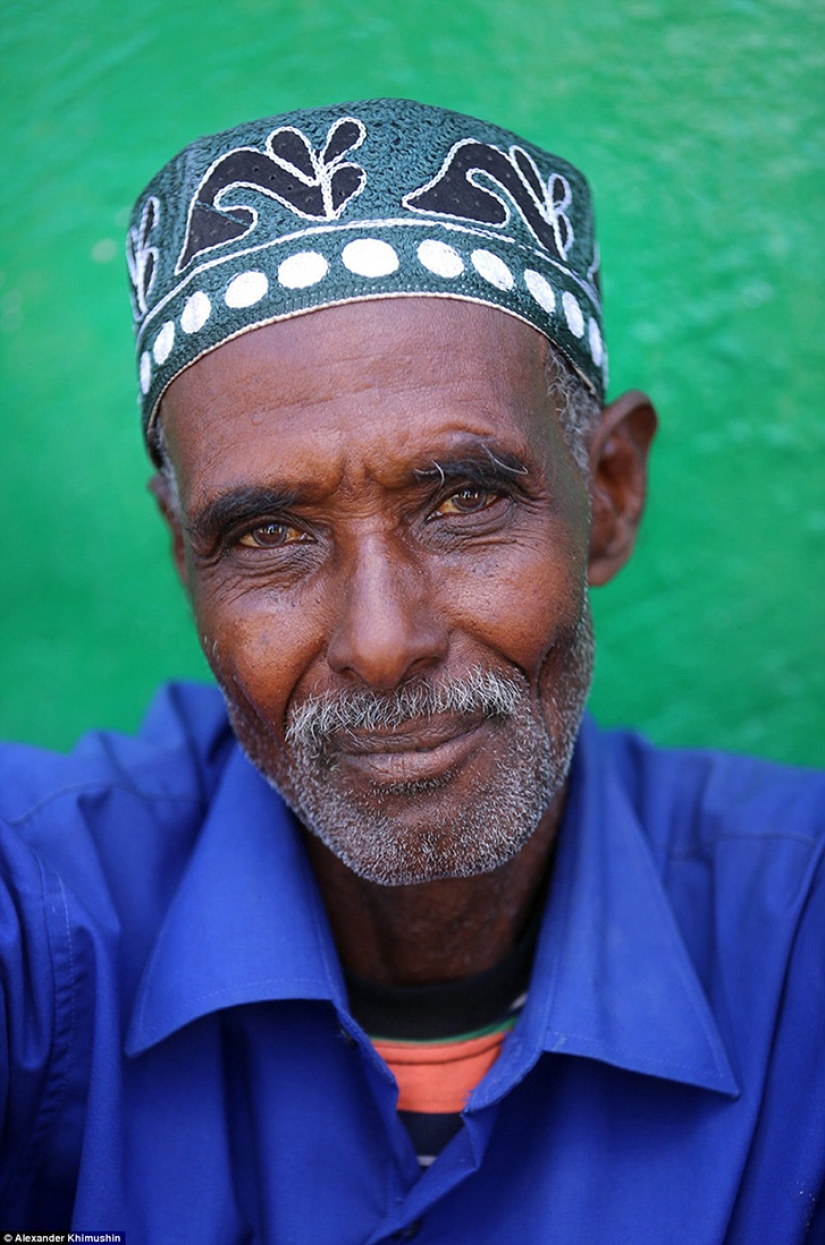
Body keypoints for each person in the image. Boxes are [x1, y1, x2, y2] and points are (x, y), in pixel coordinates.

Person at [1, 99, 823, 1243]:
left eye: (465, 502)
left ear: (611, 495)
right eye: (268, 535)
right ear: (182, 550)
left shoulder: (800, 944)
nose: (382, 642)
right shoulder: (42, 923)